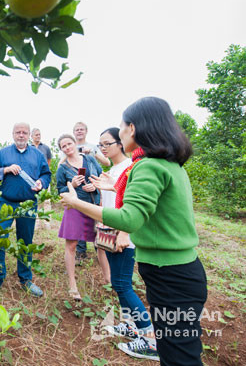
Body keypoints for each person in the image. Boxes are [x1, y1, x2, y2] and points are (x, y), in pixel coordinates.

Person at [61, 97, 207, 365]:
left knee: (178, 357)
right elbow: (155, 206)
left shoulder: (148, 166)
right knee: (178, 351)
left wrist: (76, 202)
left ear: (134, 129)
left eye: (122, 127)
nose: (120, 131)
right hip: (181, 272)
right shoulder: (169, 165)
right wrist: (114, 188)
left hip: (171, 277)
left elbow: (130, 219)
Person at [92, 127, 158, 361]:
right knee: (119, 284)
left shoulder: (130, 168)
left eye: (107, 143)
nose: (103, 148)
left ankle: (150, 340)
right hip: (109, 230)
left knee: (122, 284)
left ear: (120, 143)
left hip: (122, 234)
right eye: (100, 145)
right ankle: (129, 325)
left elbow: (130, 208)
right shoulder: (112, 170)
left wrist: (124, 233)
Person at [0, 123, 51, 297]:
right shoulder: (4, 153)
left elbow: (46, 174)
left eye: (24, 132)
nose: (21, 135)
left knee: (25, 241)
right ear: (13, 134)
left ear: (29, 135)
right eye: (18, 132)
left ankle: (25, 279)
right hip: (5, 203)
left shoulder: (37, 155)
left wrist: (41, 183)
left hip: (28, 204)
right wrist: (5, 169)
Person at [55, 134, 110, 301]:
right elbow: (60, 191)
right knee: (71, 245)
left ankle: (108, 279)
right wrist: (72, 185)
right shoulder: (62, 168)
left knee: (101, 244)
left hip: (94, 205)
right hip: (75, 207)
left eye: (69, 143)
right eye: (63, 146)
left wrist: (94, 185)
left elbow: (102, 177)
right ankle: (73, 285)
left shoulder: (90, 159)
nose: (67, 147)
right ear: (61, 150)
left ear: (74, 143)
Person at [72, 122, 110, 264]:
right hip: (78, 190)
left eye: (82, 129)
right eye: (77, 130)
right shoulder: (70, 147)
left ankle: (99, 250)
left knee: (96, 220)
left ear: (86, 131)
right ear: (74, 132)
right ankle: (81, 253)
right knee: (80, 221)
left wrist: (93, 153)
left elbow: (106, 162)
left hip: (94, 188)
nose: (79, 132)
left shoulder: (93, 147)